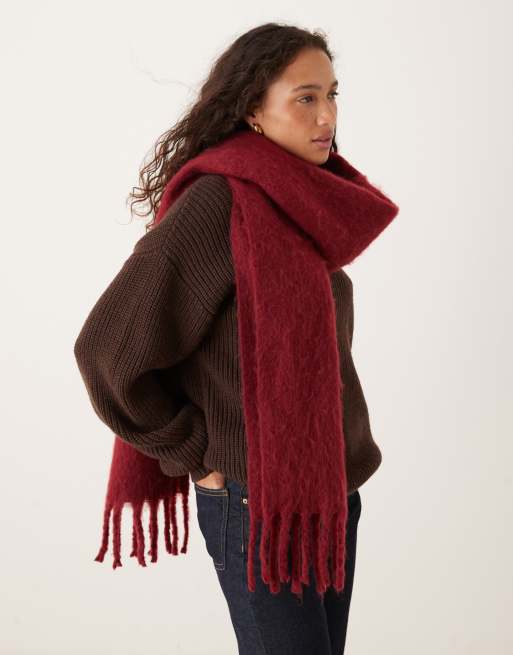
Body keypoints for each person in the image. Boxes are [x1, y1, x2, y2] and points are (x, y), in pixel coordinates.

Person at [74, 22, 397, 655]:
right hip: (253, 503)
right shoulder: (219, 201)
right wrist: (196, 454)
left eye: (333, 94)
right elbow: (107, 349)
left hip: (328, 494)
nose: (327, 115)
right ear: (252, 108)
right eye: (305, 97)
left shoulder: (304, 200)